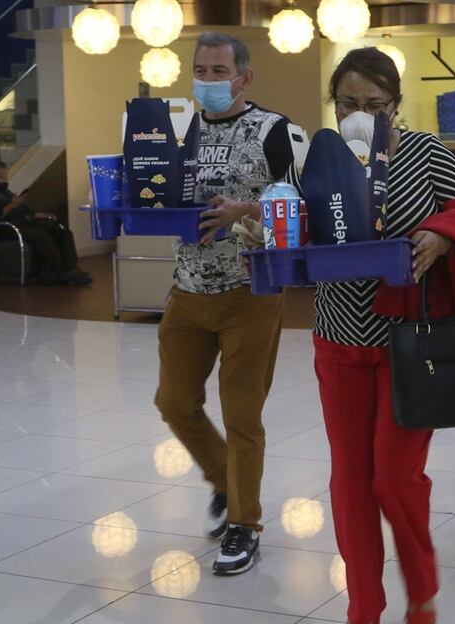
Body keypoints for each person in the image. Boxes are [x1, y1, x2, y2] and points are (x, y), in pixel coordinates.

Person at [314, 47, 455, 624]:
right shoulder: (321, 155)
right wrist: (263, 222)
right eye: (348, 104)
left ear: (396, 106)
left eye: (374, 106)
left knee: (394, 477)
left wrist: (439, 233)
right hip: (337, 338)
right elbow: (303, 226)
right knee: (350, 481)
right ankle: (363, 606)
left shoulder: (426, 154)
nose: (359, 115)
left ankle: (422, 586)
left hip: (410, 343)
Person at [153, 31, 297, 576]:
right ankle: (223, 479)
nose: (209, 81)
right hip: (186, 292)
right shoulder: (175, 132)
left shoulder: (275, 131)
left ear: (245, 77)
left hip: (249, 293)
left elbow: (301, 202)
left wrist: (247, 210)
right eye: (201, 70)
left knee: (242, 416)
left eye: (219, 71)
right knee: (174, 401)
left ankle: (244, 523)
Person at [0, 161, 91, 285]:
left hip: (25, 223)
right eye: (2, 178)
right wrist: (13, 204)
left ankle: (70, 269)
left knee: (61, 230)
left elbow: (23, 211)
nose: (4, 181)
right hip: (8, 229)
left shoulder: (6, 193)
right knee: (42, 237)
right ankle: (56, 272)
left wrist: (38, 214)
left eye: (5, 177)